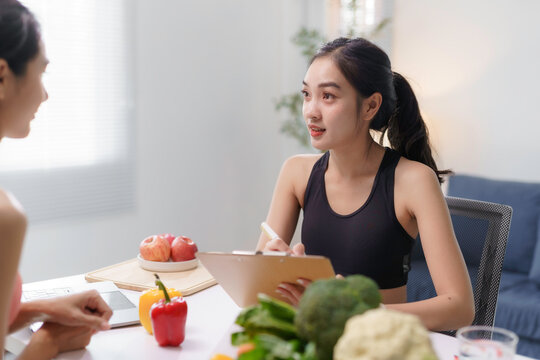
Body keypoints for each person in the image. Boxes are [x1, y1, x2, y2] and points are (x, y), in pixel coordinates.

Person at [256, 37, 475, 331]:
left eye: (328, 96)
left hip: (377, 344)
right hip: (313, 338)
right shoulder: (296, 172)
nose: (311, 111)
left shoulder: (414, 181)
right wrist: (275, 268)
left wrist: (358, 312)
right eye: (307, 94)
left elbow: (460, 307)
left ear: (371, 105)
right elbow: (256, 287)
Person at [0, 1, 112, 358]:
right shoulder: (6, 216)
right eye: (41, 72)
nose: (45, 95)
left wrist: (44, 309)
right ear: (2, 77)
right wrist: (47, 343)